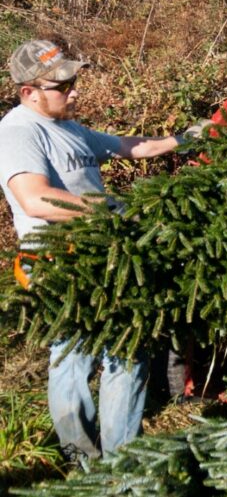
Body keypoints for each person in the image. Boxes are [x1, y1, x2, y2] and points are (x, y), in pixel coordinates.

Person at [0, 39, 193, 461]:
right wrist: (115, 211)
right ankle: (101, 462)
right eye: (62, 85)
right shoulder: (18, 132)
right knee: (97, 354)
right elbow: (35, 199)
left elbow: (129, 146)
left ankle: (102, 462)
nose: (74, 91)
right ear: (29, 92)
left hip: (98, 254)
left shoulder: (69, 127)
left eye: (75, 81)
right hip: (59, 259)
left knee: (97, 352)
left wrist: (183, 138)